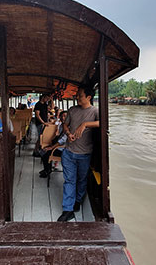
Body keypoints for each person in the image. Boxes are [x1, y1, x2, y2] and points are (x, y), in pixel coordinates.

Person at [57, 87, 100, 222]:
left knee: (81, 180)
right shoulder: (72, 110)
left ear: (88, 97)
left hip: (85, 154)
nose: (77, 97)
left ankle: (78, 200)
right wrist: (68, 134)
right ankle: (68, 210)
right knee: (69, 180)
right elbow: (65, 125)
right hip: (69, 152)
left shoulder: (95, 111)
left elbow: (102, 123)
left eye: (80, 96)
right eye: (77, 95)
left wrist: (85, 124)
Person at [39, 110, 68, 178]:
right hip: (58, 147)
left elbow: (62, 140)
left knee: (46, 152)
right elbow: (58, 136)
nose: (63, 118)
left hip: (63, 149)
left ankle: (47, 170)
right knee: (43, 150)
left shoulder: (69, 127)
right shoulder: (61, 125)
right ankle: (47, 169)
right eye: (62, 116)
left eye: (65, 116)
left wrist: (52, 147)